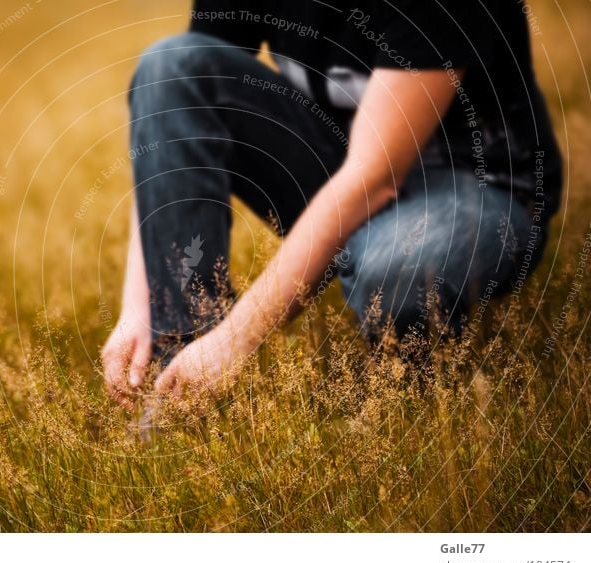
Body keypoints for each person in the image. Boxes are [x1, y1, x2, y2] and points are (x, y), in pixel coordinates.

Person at [101, 0, 563, 410]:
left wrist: (236, 339)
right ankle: (177, 381)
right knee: (171, 67)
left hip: (475, 182)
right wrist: (141, 306)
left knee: (395, 268)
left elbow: (374, 178)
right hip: (342, 162)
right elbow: (171, 120)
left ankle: (412, 376)